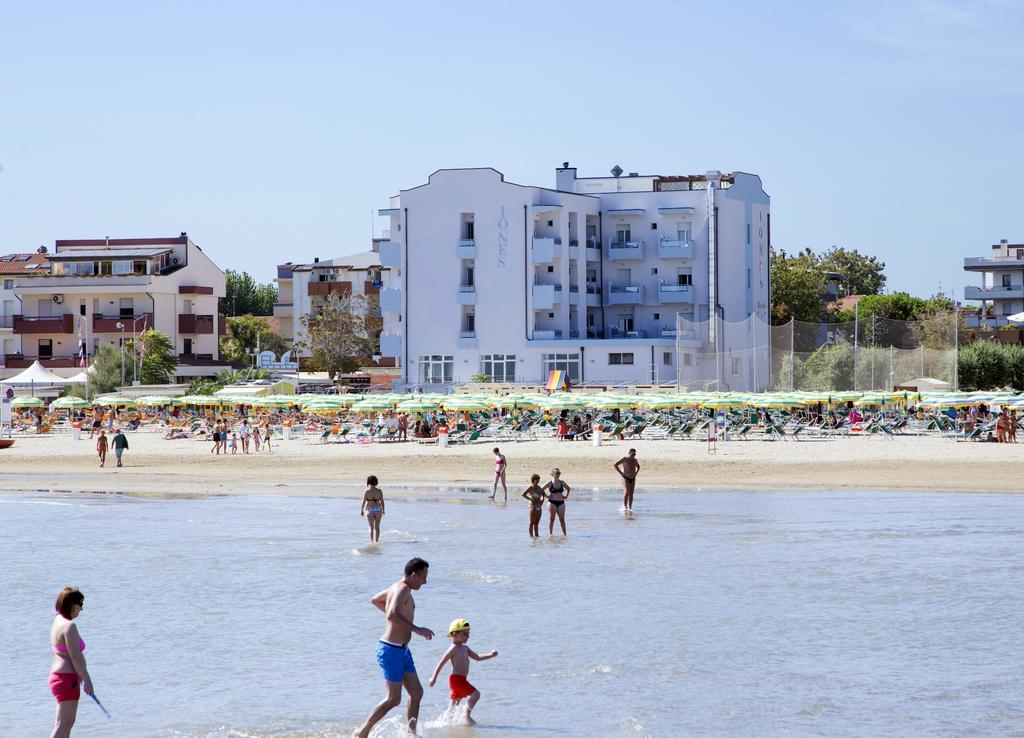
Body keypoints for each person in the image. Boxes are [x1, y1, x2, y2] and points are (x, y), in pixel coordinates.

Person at [354, 558, 434, 738]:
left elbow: (376, 600)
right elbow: (391, 614)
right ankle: (362, 732)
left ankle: (411, 733)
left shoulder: (396, 587)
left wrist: (398, 620)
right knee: (393, 699)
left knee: (416, 692)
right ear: (413, 575)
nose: (425, 582)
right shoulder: (403, 588)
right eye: (423, 577)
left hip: (402, 650)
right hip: (391, 650)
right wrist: (417, 629)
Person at [428, 619, 498, 726]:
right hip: (457, 680)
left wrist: (491, 655)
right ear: (455, 634)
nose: (468, 636)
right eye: (465, 634)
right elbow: (441, 663)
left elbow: (477, 657)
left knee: (453, 707)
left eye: (468, 634)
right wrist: (434, 677)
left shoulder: (465, 648)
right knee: (476, 694)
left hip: (460, 680)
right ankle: (466, 715)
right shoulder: (453, 648)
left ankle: (445, 723)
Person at [49, 587, 94, 738]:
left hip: (58, 677)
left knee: (65, 724)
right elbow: (75, 656)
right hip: (67, 680)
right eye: (80, 604)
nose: (81, 609)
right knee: (64, 725)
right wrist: (87, 680)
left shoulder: (57, 621)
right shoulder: (69, 627)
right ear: (71, 604)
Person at [544, 467, 571, 535]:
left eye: (559, 473)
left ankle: (565, 534)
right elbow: (541, 489)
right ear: (552, 474)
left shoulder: (562, 482)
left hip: (561, 502)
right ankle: (550, 535)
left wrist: (566, 496)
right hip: (552, 502)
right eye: (557, 473)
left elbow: (568, 488)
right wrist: (546, 496)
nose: (558, 474)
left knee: (562, 519)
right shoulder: (550, 482)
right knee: (552, 519)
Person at [361, 475, 385, 543]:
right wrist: (383, 510)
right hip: (378, 509)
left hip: (370, 510)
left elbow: (363, 502)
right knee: (377, 527)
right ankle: (377, 541)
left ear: (368, 482)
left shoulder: (366, 491)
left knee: (371, 527)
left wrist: (361, 510)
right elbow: (382, 501)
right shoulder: (379, 491)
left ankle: (371, 541)